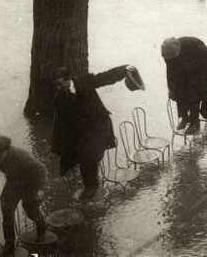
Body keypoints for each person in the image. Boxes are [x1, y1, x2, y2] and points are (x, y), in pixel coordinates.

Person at [52, 64, 143, 200]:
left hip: (98, 126)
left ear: (68, 79)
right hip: (82, 131)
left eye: (60, 85)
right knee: (79, 155)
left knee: (88, 155)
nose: (59, 89)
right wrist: (56, 147)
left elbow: (105, 77)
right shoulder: (59, 99)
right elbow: (59, 123)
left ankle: (91, 187)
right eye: (56, 86)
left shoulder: (85, 81)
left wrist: (124, 70)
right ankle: (90, 183)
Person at [0, 136, 47, 257]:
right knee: (6, 212)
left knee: (30, 210)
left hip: (30, 183)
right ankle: (9, 244)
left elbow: (41, 169)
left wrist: (40, 189)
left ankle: (42, 227)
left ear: (4, 151)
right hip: (13, 183)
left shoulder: (22, 156)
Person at [162, 37, 207, 135]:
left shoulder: (194, 45)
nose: (171, 59)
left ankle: (195, 122)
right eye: (170, 58)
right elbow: (170, 72)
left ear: (178, 50)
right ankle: (185, 118)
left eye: (173, 57)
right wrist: (171, 89)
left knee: (194, 96)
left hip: (201, 71)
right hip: (185, 72)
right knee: (178, 92)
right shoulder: (168, 54)